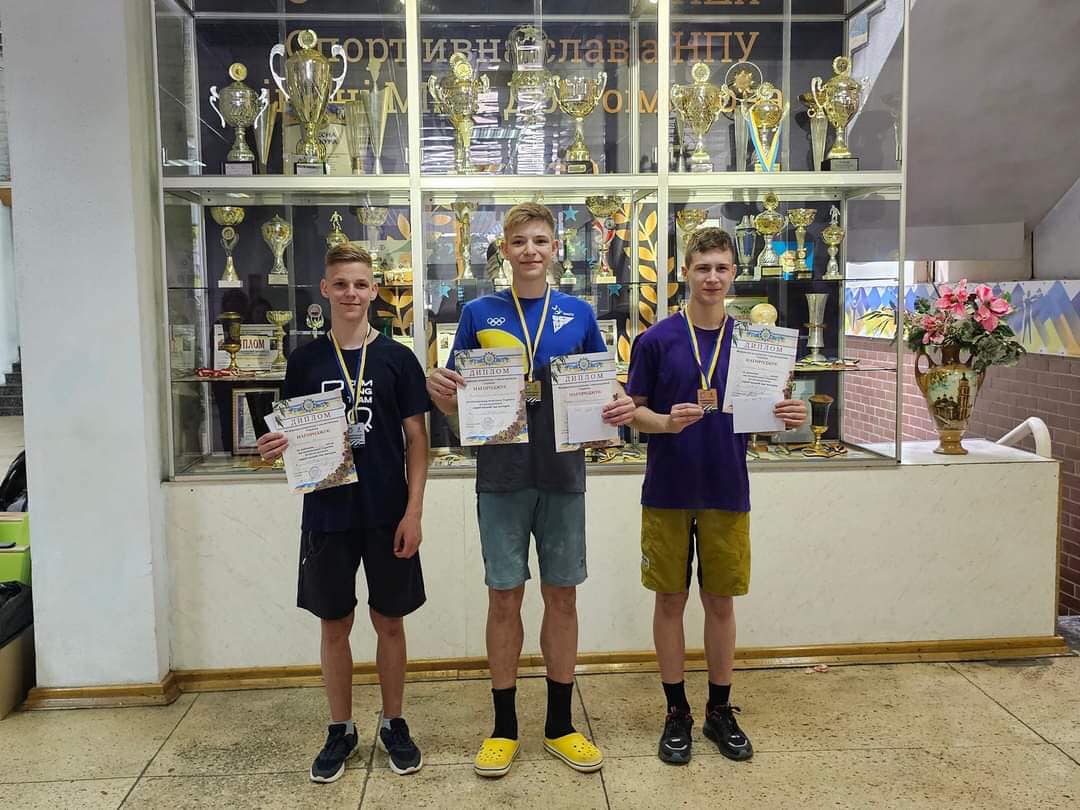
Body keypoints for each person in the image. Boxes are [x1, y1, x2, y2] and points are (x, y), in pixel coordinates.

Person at [427, 202, 636, 778]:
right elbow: (457, 404)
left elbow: (603, 393)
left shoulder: (579, 313)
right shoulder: (477, 313)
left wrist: (617, 405)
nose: (530, 251)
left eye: (541, 240)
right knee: (504, 598)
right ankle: (503, 728)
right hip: (501, 477)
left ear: (555, 249)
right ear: (505, 250)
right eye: (519, 241)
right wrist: (442, 393)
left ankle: (560, 725)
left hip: (563, 474)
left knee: (563, 597)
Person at [625, 227, 807, 765]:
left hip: (727, 486)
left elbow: (768, 414)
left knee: (720, 601)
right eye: (702, 268)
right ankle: (676, 711)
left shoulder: (756, 344)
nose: (711, 278)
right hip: (668, 489)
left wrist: (791, 415)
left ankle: (719, 710)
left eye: (721, 268)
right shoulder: (655, 340)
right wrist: (664, 421)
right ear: (685, 271)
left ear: (734, 274)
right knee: (669, 600)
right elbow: (631, 413)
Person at [256, 243, 431, 782]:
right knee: (334, 623)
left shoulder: (398, 358)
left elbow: (418, 441)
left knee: (389, 621)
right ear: (325, 290)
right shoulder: (304, 360)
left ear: (374, 290)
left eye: (360, 284)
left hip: (387, 511)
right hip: (327, 512)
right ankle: (341, 728)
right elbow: (289, 435)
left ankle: (394, 722)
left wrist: (414, 512)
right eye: (341, 284)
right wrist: (273, 448)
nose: (351, 293)